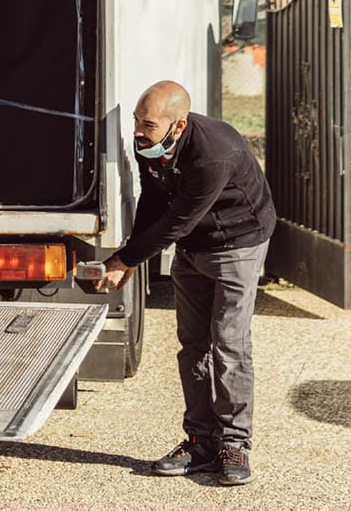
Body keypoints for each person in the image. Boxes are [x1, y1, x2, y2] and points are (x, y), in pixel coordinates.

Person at [96, 80, 275, 486]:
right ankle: (200, 441)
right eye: (137, 122)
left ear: (177, 127)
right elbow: (154, 201)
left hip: (237, 243)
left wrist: (124, 260)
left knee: (229, 343)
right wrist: (129, 252)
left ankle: (234, 443)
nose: (139, 131)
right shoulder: (149, 145)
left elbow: (177, 221)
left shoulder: (213, 154)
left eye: (149, 125)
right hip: (194, 247)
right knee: (193, 344)